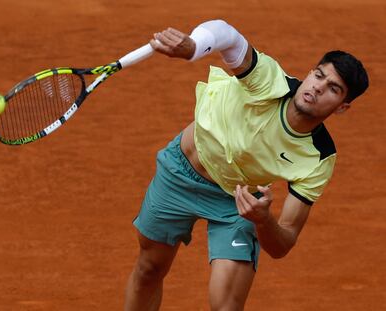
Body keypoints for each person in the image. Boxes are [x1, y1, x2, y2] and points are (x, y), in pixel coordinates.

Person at [124, 20, 369, 311]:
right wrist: (193, 47)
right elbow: (226, 34)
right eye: (318, 75)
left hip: (237, 200)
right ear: (309, 73)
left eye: (333, 88)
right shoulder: (268, 80)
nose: (317, 88)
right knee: (150, 268)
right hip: (179, 173)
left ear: (342, 107)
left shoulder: (318, 158)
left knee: (226, 306)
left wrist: (263, 219)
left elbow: (283, 243)